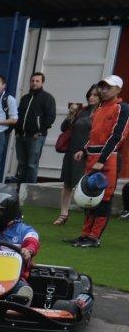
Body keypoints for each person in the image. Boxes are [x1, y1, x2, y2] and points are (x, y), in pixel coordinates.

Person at [68, 75, 128, 248]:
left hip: (108, 159)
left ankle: (94, 238)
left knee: (104, 197)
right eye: (103, 87)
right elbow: (94, 135)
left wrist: (102, 159)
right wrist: (84, 150)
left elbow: (117, 137)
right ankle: (85, 235)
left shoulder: (121, 108)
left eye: (109, 87)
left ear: (118, 89)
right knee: (89, 196)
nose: (104, 90)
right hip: (93, 157)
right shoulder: (99, 108)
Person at [54, 84, 100, 226]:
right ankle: (63, 213)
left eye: (95, 95)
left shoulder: (102, 112)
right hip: (72, 150)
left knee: (87, 185)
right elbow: (64, 128)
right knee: (68, 183)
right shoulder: (83, 111)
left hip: (89, 153)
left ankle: (90, 217)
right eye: (90, 95)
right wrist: (71, 114)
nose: (91, 97)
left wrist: (85, 150)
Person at [12, 72, 57, 184]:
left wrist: (40, 132)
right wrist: (17, 131)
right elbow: (18, 115)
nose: (34, 83)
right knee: (22, 164)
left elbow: (50, 117)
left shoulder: (48, 98)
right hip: (21, 136)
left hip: (35, 137)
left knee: (32, 165)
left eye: (37, 81)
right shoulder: (24, 98)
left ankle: (29, 191)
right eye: (32, 81)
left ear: (42, 82)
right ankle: (19, 189)